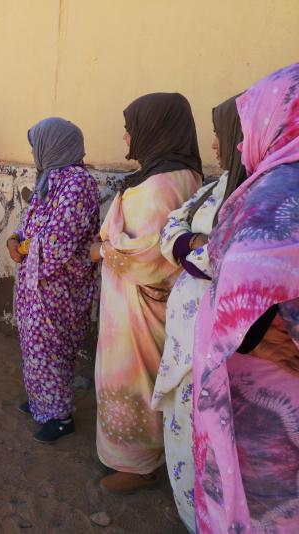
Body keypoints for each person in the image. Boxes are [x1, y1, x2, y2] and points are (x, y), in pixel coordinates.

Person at [191, 63, 299, 533]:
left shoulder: (277, 188)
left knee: (268, 506)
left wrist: (251, 334)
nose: (236, 143)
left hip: (270, 390)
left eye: (248, 123)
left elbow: (248, 271)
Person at [91, 93, 202, 493]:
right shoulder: (177, 176)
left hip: (141, 304)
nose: (125, 136)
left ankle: (138, 465)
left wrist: (101, 249)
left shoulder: (162, 185)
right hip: (135, 302)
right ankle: (136, 456)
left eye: (131, 127)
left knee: (134, 376)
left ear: (155, 128)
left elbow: (153, 255)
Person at [153, 95, 246, 532]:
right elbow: (172, 228)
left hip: (223, 341)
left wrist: (190, 246)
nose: (213, 145)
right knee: (182, 429)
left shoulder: (259, 193)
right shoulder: (215, 186)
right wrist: (190, 243)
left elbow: (230, 256)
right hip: (184, 334)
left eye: (220, 134)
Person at [7, 117, 100, 443]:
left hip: (59, 286)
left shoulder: (77, 183)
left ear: (54, 145)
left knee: (51, 349)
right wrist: (14, 240)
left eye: (37, 145)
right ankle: (41, 402)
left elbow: (59, 242)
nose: (35, 152)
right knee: (35, 348)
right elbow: (31, 225)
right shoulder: (51, 178)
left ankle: (60, 417)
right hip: (37, 284)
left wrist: (26, 250)